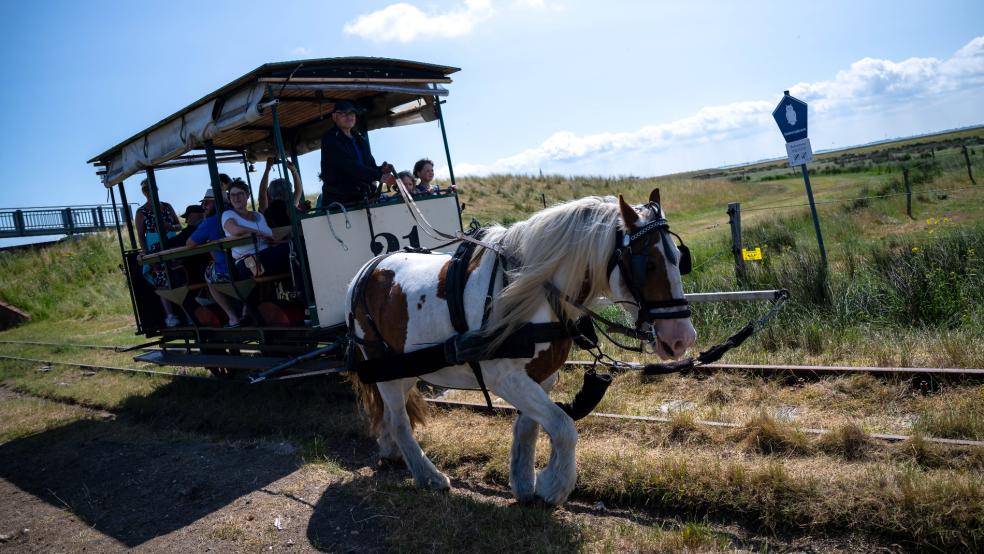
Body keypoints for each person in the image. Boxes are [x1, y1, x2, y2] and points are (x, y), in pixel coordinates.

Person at [320, 100, 396, 205]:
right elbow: (348, 165)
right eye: (343, 113)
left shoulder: (360, 139)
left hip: (362, 197)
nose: (349, 117)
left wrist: (381, 170)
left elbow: (370, 166)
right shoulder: (330, 138)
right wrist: (379, 176)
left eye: (352, 113)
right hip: (340, 202)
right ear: (334, 117)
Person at [187, 188, 241, 327]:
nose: (203, 207)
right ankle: (246, 310)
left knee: (209, 276)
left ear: (215, 203)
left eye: (206, 203)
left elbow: (190, 244)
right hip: (249, 265)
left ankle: (232, 317)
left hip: (228, 270)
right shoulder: (239, 214)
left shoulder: (211, 221)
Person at [134, 179, 183, 327]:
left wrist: (170, 227)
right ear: (143, 192)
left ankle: (186, 311)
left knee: (179, 276)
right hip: (155, 247)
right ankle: (170, 315)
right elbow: (141, 234)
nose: (149, 192)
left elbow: (179, 225)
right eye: (146, 190)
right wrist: (146, 252)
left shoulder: (167, 206)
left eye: (151, 189)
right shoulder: (141, 212)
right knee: (161, 279)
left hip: (172, 244)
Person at [221, 180, 290, 281]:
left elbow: (271, 239)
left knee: (296, 248)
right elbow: (235, 230)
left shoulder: (259, 215)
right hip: (249, 262)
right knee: (293, 253)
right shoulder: (228, 215)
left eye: (240, 194)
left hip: (268, 254)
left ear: (247, 195)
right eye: (232, 195)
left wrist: (278, 241)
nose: (236, 198)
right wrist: (258, 233)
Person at [258, 157, 307, 228]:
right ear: (288, 192)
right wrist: (294, 171)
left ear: (271, 193)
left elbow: (262, 195)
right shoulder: (290, 208)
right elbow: (298, 191)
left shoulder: (268, 211)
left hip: (274, 238)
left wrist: (267, 169)